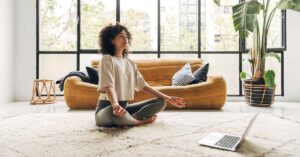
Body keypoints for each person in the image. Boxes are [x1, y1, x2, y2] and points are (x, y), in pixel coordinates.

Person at [95, 23, 186, 128]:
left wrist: (168, 98)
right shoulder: (107, 59)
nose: (125, 38)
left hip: (124, 109)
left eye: (126, 36)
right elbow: (108, 86)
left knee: (161, 102)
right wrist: (115, 105)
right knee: (112, 111)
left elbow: (144, 86)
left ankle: (130, 119)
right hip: (107, 110)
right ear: (111, 40)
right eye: (121, 36)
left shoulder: (130, 63)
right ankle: (139, 122)